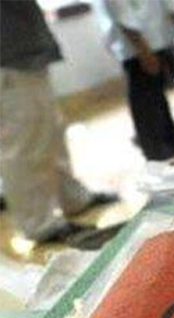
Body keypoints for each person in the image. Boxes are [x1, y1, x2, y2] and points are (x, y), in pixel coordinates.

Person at [0, 0, 118, 245]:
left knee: (49, 133)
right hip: (9, 59)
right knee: (26, 146)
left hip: (23, 51)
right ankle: (39, 224)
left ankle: (73, 198)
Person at [96, 0, 174, 161]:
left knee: (156, 98)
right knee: (146, 102)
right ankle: (156, 152)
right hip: (137, 48)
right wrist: (143, 50)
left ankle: (170, 144)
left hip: (154, 39)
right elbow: (122, 13)